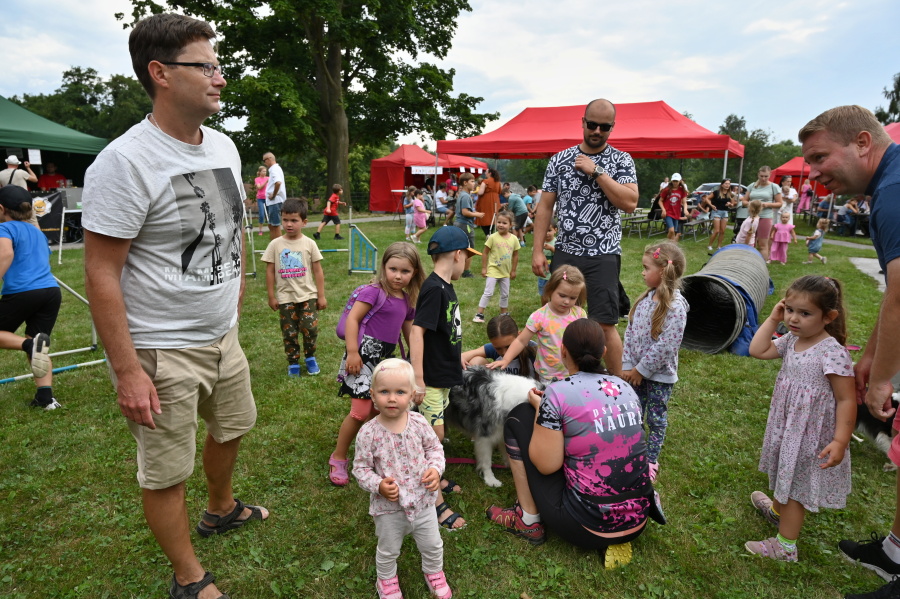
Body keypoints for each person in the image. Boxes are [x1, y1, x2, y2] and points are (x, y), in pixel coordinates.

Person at [81, 14, 268, 599]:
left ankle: (221, 509)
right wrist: (128, 371)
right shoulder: (124, 162)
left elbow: (232, 225)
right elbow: (101, 272)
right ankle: (189, 578)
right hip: (160, 348)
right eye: (205, 66)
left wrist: (236, 286)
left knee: (234, 426)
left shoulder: (224, 145)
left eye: (218, 65)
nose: (220, 78)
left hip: (222, 334)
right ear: (160, 73)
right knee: (166, 470)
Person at [798, 106, 900, 599]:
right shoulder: (887, 186)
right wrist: (871, 357)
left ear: (862, 142)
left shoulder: (893, 193)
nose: (814, 173)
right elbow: (892, 294)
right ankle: (895, 551)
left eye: (820, 157)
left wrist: (881, 380)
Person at [486, 318, 652, 568]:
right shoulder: (625, 387)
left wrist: (541, 411)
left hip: (586, 526)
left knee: (518, 417)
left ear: (562, 351)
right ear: (603, 352)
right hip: (638, 518)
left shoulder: (557, 392)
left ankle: (527, 520)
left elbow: (546, 466)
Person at [746, 275, 854, 563]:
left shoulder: (832, 352)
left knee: (795, 484)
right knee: (786, 469)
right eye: (790, 310)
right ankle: (777, 512)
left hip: (811, 434)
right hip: (788, 425)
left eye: (805, 313)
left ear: (828, 317)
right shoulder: (793, 339)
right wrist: (773, 319)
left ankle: (785, 547)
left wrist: (840, 440)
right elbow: (757, 350)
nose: (793, 318)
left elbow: (846, 399)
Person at [530, 99, 638, 377]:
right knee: (558, 319)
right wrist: (538, 250)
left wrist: (597, 171)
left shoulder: (621, 160)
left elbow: (629, 203)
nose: (597, 131)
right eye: (592, 124)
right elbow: (545, 207)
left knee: (605, 324)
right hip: (566, 252)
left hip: (603, 253)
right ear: (583, 122)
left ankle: (617, 386)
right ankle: (560, 380)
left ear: (612, 127)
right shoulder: (559, 160)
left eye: (605, 127)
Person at [352, 358, 453, 599]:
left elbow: (434, 449)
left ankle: (434, 572)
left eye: (400, 392)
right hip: (388, 508)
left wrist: (435, 469)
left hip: (424, 501)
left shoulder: (419, 423)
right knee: (388, 550)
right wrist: (378, 485)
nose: (392, 398)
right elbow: (360, 469)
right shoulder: (368, 432)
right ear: (372, 395)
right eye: (384, 392)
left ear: (412, 396)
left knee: (432, 544)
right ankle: (386, 580)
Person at [328, 242, 423, 486]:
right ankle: (338, 457)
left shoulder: (407, 299)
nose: (398, 276)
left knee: (377, 411)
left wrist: (416, 359)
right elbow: (353, 319)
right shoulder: (373, 291)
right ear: (384, 267)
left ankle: (375, 455)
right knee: (360, 412)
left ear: (414, 272)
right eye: (393, 269)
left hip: (385, 361)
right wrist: (352, 352)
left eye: (405, 271)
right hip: (362, 357)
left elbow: (409, 332)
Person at [411, 226, 481, 531]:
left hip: (442, 377)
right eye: (468, 257)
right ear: (457, 255)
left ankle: (434, 477)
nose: (467, 264)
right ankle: (435, 503)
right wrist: (417, 378)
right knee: (432, 440)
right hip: (429, 381)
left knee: (435, 437)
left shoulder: (444, 286)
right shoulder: (434, 289)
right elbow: (417, 332)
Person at [621, 241, 688, 484]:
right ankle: (633, 452)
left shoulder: (676, 308)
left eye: (646, 267)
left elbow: (667, 346)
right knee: (634, 414)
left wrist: (642, 370)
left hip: (659, 378)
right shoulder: (644, 300)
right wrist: (628, 364)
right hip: (635, 374)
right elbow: (630, 333)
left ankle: (650, 459)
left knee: (656, 419)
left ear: (662, 271)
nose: (642, 272)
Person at [0, 186, 60, 409]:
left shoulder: (4, 228)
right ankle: (46, 398)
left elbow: (6, 253)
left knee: (32, 344)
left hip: (23, 291)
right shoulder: (37, 232)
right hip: (51, 292)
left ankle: (29, 345)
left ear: (1, 209)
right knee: (38, 343)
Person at [489, 265, 587, 384]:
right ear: (551, 289)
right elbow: (521, 341)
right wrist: (506, 359)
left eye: (573, 298)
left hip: (574, 372)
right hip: (548, 375)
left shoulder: (579, 314)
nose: (566, 301)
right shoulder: (539, 316)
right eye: (562, 295)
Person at [262, 198, 326, 377]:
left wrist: (321, 295)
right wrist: (271, 296)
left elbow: (318, 271)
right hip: (285, 297)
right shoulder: (275, 244)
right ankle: (293, 362)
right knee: (289, 332)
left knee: (310, 329)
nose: (289, 224)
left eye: (294, 220)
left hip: (308, 295)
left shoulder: (309, 243)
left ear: (304, 222)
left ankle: (310, 357)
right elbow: (269, 271)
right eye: (285, 220)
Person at [473, 210, 519, 324]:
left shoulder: (514, 239)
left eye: (504, 223)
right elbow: (485, 253)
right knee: (488, 292)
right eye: (499, 222)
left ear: (511, 225)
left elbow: (515, 255)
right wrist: (484, 268)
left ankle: (503, 313)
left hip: (505, 272)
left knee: (505, 294)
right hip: (493, 270)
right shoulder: (492, 237)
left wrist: (513, 270)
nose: (501, 225)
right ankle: (479, 314)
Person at [462, 314, 537, 379]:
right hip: (501, 388)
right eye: (498, 348)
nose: (504, 352)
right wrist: (460, 359)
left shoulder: (534, 350)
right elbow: (463, 356)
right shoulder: (494, 348)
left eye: (509, 346)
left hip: (531, 389)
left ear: (519, 335)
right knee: (475, 362)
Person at [740, 166, 782, 261]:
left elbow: (780, 203)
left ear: (770, 175)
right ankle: (747, 262)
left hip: (765, 216)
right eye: (761, 176)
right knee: (749, 242)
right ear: (758, 175)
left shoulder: (774, 187)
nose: (763, 178)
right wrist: (751, 204)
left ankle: (763, 264)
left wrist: (766, 204)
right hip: (752, 217)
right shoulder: (752, 186)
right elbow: (744, 201)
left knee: (763, 244)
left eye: (766, 176)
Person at [452, 173, 484, 279]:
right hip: (465, 225)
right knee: (470, 249)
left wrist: (474, 213)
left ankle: (456, 268)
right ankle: (466, 272)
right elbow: (465, 212)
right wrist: (477, 215)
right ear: (465, 183)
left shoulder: (462, 194)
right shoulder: (465, 196)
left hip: (459, 224)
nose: (474, 183)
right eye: (472, 181)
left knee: (459, 248)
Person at [704, 179, 734, 251]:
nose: (727, 185)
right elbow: (707, 198)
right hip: (716, 212)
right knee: (717, 230)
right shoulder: (716, 192)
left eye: (728, 184)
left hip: (725, 212)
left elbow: (732, 204)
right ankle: (710, 245)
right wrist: (711, 205)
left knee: (722, 231)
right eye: (726, 183)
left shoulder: (730, 194)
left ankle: (719, 246)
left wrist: (730, 204)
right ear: (722, 184)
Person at [658, 173, 690, 241]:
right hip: (668, 212)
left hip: (676, 212)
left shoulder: (682, 190)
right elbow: (660, 201)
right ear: (671, 181)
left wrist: (685, 210)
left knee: (674, 232)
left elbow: (684, 202)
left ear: (680, 181)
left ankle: (671, 244)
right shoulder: (667, 190)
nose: (675, 183)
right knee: (671, 230)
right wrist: (663, 210)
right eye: (674, 181)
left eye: (676, 181)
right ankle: (667, 243)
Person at [263, 151, 286, 240]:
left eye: (264, 160)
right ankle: (273, 245)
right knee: (271, 225)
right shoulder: (275, 169)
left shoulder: (274, 169)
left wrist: (273, 195)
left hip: (275, 201)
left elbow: (278, 182)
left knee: (275, 226)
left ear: (269, 159)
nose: (264, 163)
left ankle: (279, 246)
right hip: (274, 202)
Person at [475, 168, 501, 237]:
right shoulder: (498, 182)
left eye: (486, 172)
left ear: (490, 173)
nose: (485, 173)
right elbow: (499, 191)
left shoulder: (485, 181)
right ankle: (490, 233)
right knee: (493, 217)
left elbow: (480, 192)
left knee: (483, 217)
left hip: (485, 201)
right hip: (495, 201)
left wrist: (476, 191)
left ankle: (487, 234)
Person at [536, 223, 557, 297]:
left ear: (555, 230)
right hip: (543, 275)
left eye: (549, 230)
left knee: (554, 293)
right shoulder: (540, 243)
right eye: (544, 231)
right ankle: (544, 304)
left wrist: (551, 248)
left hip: (554, 275)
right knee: (543, 294)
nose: (547, 233)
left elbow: (560, 254)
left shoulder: (557, 242)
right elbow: (535, 254)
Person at [253, 165, 268, 235]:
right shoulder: (257, 179)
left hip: (268, 198)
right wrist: (266, 182)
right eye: (263, 171)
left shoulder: (268, 178)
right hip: (260, 198)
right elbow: (259, 187)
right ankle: (260, 230)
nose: (265, 172)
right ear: (260, 172)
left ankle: (272, 229)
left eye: (265, 171)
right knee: (261, 214)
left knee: (269, 214)